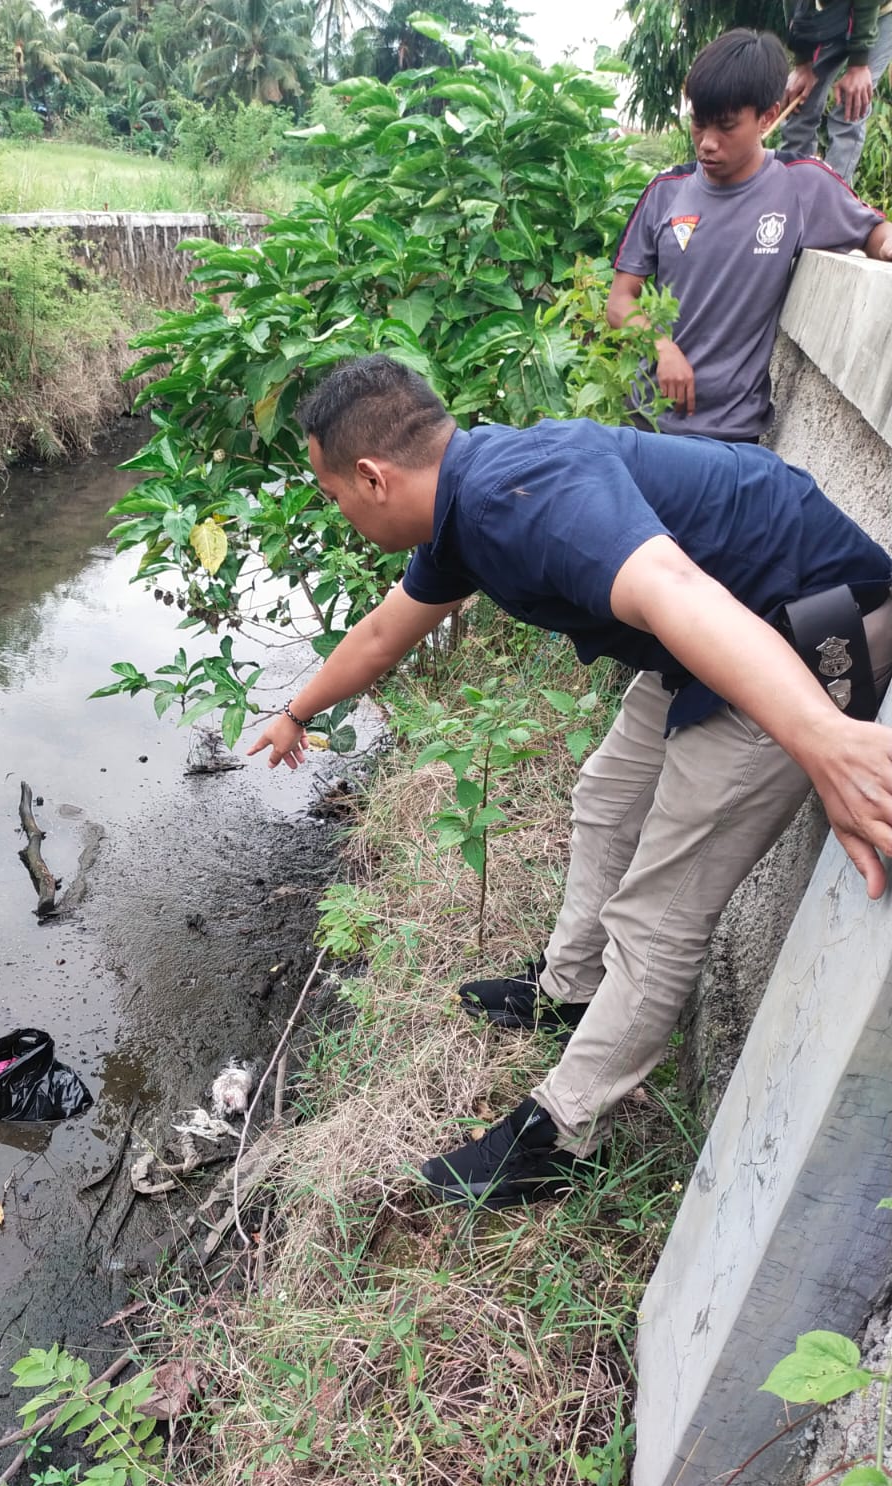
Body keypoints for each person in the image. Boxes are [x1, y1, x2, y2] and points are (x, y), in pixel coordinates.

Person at [247, 354, 892, 1209]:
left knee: (659, 914)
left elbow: (671, 587)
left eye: (333, 495)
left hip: (802, 628)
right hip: (716, 631)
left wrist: (824, 739)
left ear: (372, 477)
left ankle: (560, 1133)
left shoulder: (518, 498)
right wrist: (296, 711)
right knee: (606, 794)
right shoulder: (463, 503)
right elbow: (381, 634)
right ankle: (569, 989)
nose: (340, 510)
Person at [608, 28, 891, 444]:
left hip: (732, 438)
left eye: (726, 127)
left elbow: (872, 229)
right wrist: (661, 347)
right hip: (647, 425)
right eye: (698, 123)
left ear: (766, 116)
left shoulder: (801, 185)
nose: (707, 143)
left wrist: (885, 241)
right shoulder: (665, 191)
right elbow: (620, 299)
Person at [781, 0, 892, 185]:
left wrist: (858, 63)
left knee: (852, 103)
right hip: (834, 10)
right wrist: (803, 61)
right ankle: (791, 187)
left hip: (881, 11)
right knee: (801, 99)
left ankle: (831, 198)